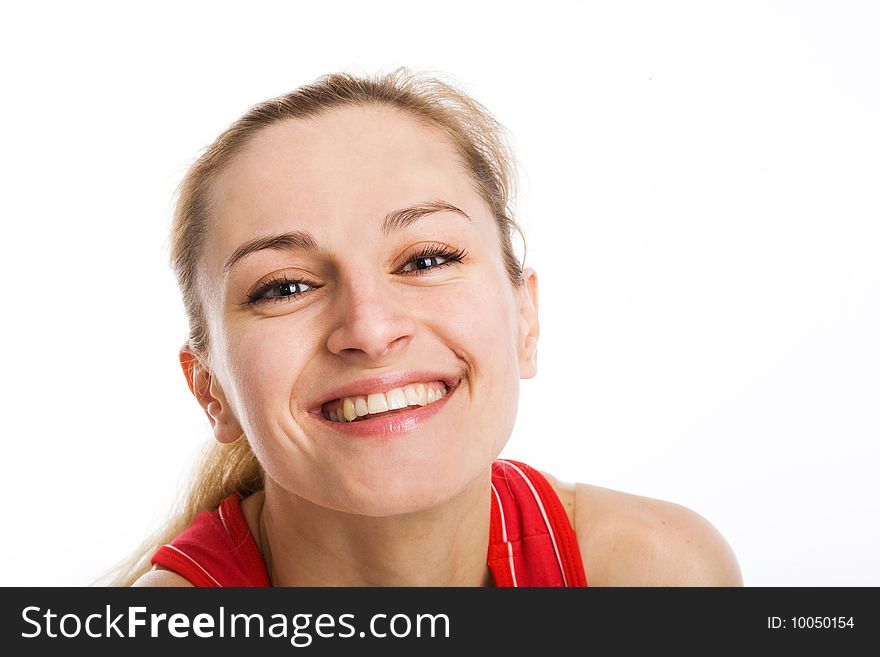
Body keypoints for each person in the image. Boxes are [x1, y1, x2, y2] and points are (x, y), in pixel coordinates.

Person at [116, 68, 742, 587]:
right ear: (209, 389)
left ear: (525, 317)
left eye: (427, 260)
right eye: (286, 287)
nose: (370, 327)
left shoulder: (660, 576)